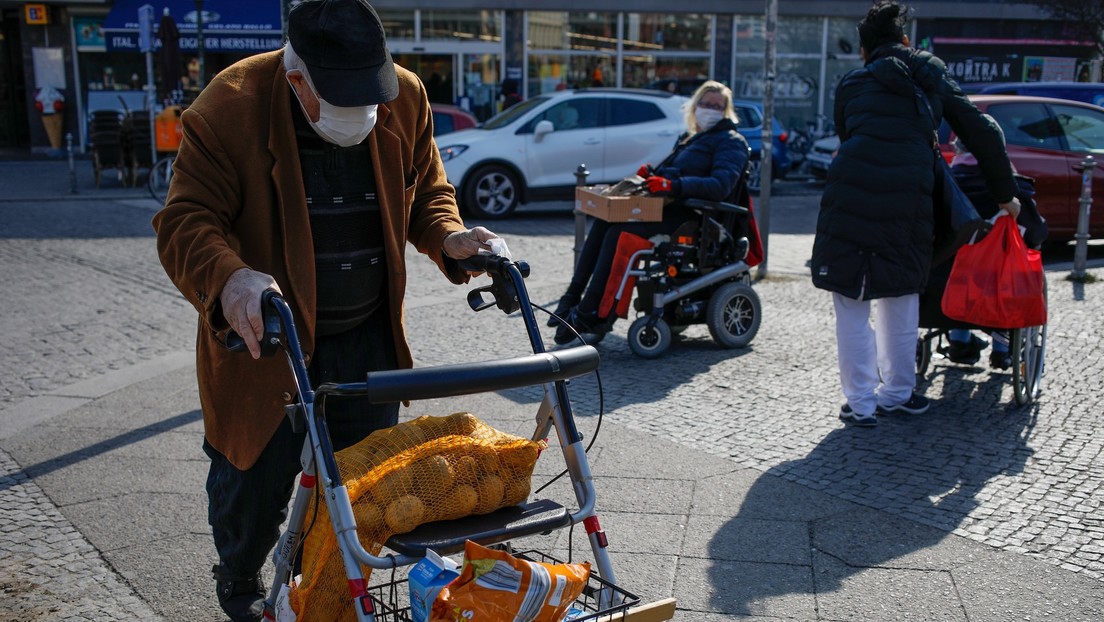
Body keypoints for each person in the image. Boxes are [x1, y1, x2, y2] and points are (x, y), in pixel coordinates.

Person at [150, 1, 499, 620]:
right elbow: (184, 220)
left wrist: (449, 236)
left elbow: (429, 191)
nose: (363, 117)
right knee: (252, 482)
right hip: (268, 338)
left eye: (371, 100)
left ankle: (326, 585)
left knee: (364, 485)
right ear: (297, 81)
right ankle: (237, 577)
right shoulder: (228, 107)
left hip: (365, 333)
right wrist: (230, 278)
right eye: (343, 104)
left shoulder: (405, 96)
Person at [810, 1, 1021, 428]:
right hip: (908, 198)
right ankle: (897, 394)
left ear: (864, 53)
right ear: (905, 41)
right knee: (901, 296)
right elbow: (978, 130)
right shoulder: (930, 73)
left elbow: (846, 133)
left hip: (848, 194)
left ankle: (861, 403)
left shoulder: (851, 84)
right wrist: (1005, 195)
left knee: (850, 301)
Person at [551, 80, 751, 344]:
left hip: (695, 217)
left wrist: (673, 185)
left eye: (717, 105)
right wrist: (654, 175)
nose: (710, 109)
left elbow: (720, 186)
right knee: (603, 221)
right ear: (695, 105)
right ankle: (572, 297)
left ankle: (592, 312)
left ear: (726, 110)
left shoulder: (730, 141)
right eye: (705, 103)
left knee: (619, 233)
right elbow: (680, 172)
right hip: (670, 208)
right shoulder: (691, 138)